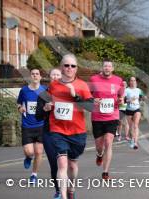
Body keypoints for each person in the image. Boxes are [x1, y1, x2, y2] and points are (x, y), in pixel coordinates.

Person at [47, 54, 93, 199]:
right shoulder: (53, 85)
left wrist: (75, 95)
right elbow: (43, 101)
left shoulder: (82, 85)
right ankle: (63, 195)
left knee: (72, 166)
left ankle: (71, 188)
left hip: (77, 131)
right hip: (57, 130)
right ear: (61, 67)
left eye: (72, 66)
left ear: (76, 69)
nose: (69, 68)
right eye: (66, 65)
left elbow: (91, 107)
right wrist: (47, 106)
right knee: (62, 165)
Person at [89, 59, 125, 180]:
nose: (107, 68)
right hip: (97, 117)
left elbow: (121, 96)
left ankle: (105, 172)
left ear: (112, 69)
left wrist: (121, 100)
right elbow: (88, 95)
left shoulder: (118, 80)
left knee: (109, 142)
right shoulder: (94, 79)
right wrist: (93, 100)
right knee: (99, 146)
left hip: (112, 116)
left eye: (109, 66)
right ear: (102, 68)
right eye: (105, 66)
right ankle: (99, 154)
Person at [35, 68, 62, 199]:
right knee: (53, 162)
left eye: (58, 75)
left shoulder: (68, 93)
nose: (55, 77)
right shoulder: (43, 95)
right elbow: (38, 116)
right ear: (49, 77)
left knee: (66, 163)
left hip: (66, 133)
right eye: (53, 75)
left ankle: (68, 187)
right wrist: (45, 109)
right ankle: (58, 190)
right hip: (49, 132)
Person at [17, 68, 46, 183]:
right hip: (27, 125)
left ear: (40, 77)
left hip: (41, 125)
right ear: (30, 76)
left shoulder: (44, 90)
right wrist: (20, 108)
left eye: (37, 74)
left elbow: (50, 102)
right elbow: (19, 103)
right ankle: (28, 157)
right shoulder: (24, 90)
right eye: (33, 74)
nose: (35, 76)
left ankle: (34, 175)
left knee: (39, 152)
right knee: (30, 152)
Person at [125, 76, 144, 150]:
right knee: (131, 127)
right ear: (129, 82)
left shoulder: (139, 90)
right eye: (131, 81)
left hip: (137, 109)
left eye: (134, 80)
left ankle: (135, 142)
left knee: (135, 125)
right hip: (129, 110)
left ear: (136, 82)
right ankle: (132, 139)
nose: (133, 82)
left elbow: (141, 98)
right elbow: (124, 100)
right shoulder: (126, 90)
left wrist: (141, 101)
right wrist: (129, 100)